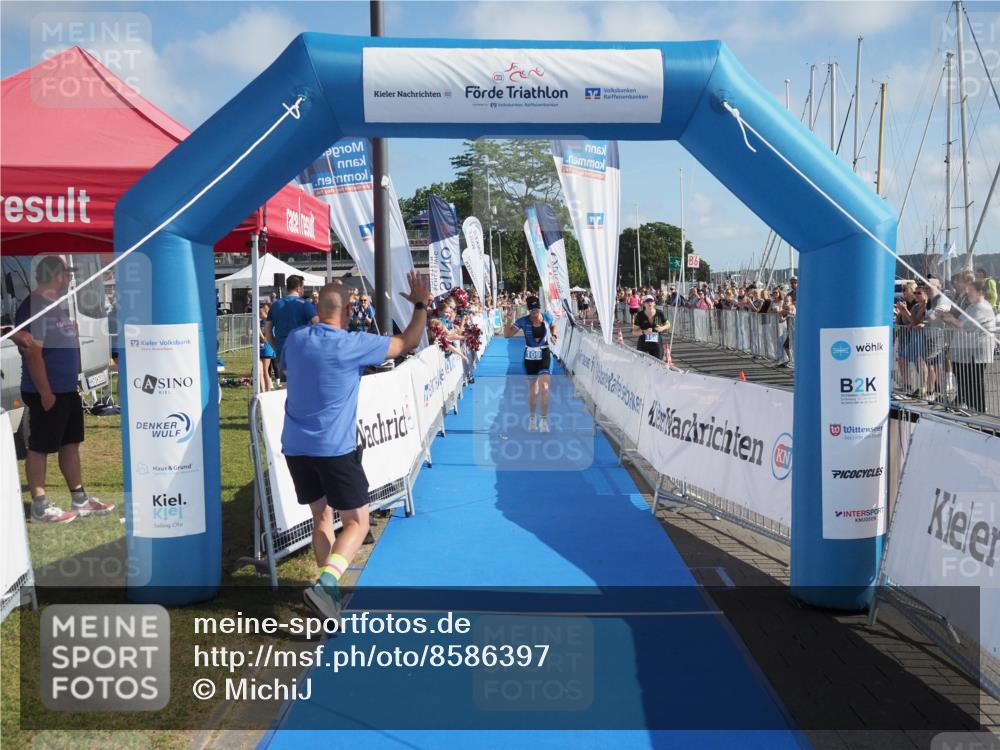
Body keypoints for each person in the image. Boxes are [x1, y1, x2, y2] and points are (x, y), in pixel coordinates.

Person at [283, 271, 430, 619]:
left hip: (295, 446)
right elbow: (408, 341)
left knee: (321, 518)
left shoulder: (296, 339)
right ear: (349, 310)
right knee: (357, 523)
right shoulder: (351, 344)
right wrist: (421, 304)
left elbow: (287, 366)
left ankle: (328, 600)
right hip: (334, 449)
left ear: (316, 308)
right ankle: (327, 584)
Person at [11, 256, 114, 524]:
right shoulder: (35, 307)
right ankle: (40, 506)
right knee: (40, 446)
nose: (70, 280)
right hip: (47, 391)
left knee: (71, 443)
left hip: (66, 389)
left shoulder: (54, 307)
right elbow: (34, 353)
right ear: (56, 276)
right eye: (66, 275)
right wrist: (45, 393)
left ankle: (79, 499)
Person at [940, 280, 997, 413]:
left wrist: (951, 319)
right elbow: (961, 322)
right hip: (966, 350)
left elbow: (967, 326)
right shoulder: (972, 306)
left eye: (970, 290)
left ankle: (979, 408)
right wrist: (949, 319)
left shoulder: (983, 307)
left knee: (974, 380)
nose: (967, 293)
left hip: (976, 351)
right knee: (965, 378)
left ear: (980, 292)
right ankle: (968, 405)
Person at [504, 296, 558, 432]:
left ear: (539, 307)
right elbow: (507, 335)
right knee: (534, 390)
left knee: (545, 387)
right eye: (532, 309)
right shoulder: (523, 321)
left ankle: (544, 421)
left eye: (536, 308)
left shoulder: (546, 317)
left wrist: (554, 335)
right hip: (530, 356)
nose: (535, 312)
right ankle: (533, 418)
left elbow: (553, 325)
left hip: (544, 353)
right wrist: (509, 320)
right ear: (528, 309)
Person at [265, 275, 318, 364]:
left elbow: (267, 331)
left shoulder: (275, 305)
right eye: (303, 287)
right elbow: (318, 324)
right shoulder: (305, 304)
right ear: (298, 288)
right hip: (301, 352)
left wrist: (276, 348)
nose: (303, 290)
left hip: (282, 352)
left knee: (286, 378)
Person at [632, 295, 670, 360]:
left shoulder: (659, 313)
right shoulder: (639, 315)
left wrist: (662, 328)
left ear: (654, 303)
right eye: (647, 302)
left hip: (657, 345)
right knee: (643, 364)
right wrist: (644, 331)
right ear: (644, 304)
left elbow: (668, 324)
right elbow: (634, 332)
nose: (649, 303)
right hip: (643, 345)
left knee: (658, 364)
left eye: (651, 301)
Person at [258, 303, 275, 392]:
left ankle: (268, 391)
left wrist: (260, 333)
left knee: (265, 370)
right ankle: (262, 391)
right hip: (259, 348)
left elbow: (266, 337)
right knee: (259, 371)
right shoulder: (260, 322)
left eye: (261, 313)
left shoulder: (270, 322)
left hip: (267, 348)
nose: (259, 315)